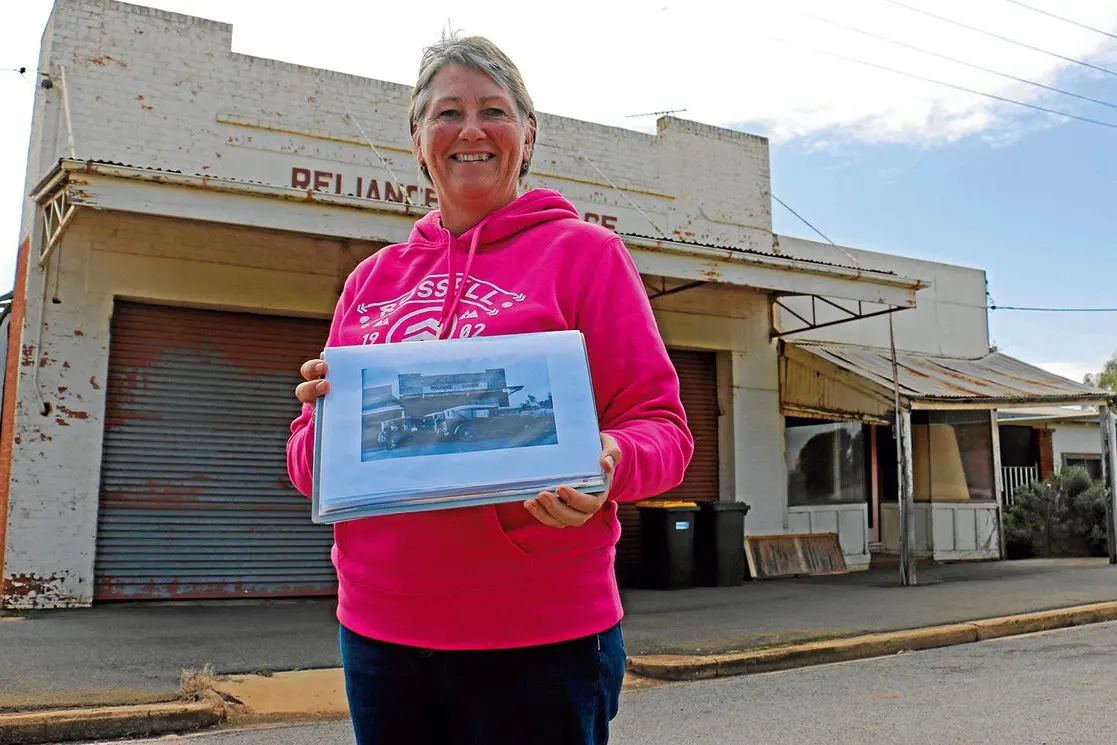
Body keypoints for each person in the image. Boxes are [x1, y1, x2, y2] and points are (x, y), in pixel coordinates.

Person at [286, 33, 693, 745]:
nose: (470, 130)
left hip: (541, 633)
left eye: (493, 111)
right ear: (417, 139)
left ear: (526, 136)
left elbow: (662, 426)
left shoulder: (585, 255)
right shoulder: (371, 282)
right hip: (378, 631)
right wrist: (325, 418)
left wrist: (606, 460)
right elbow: (306, 468)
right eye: (446, 112)